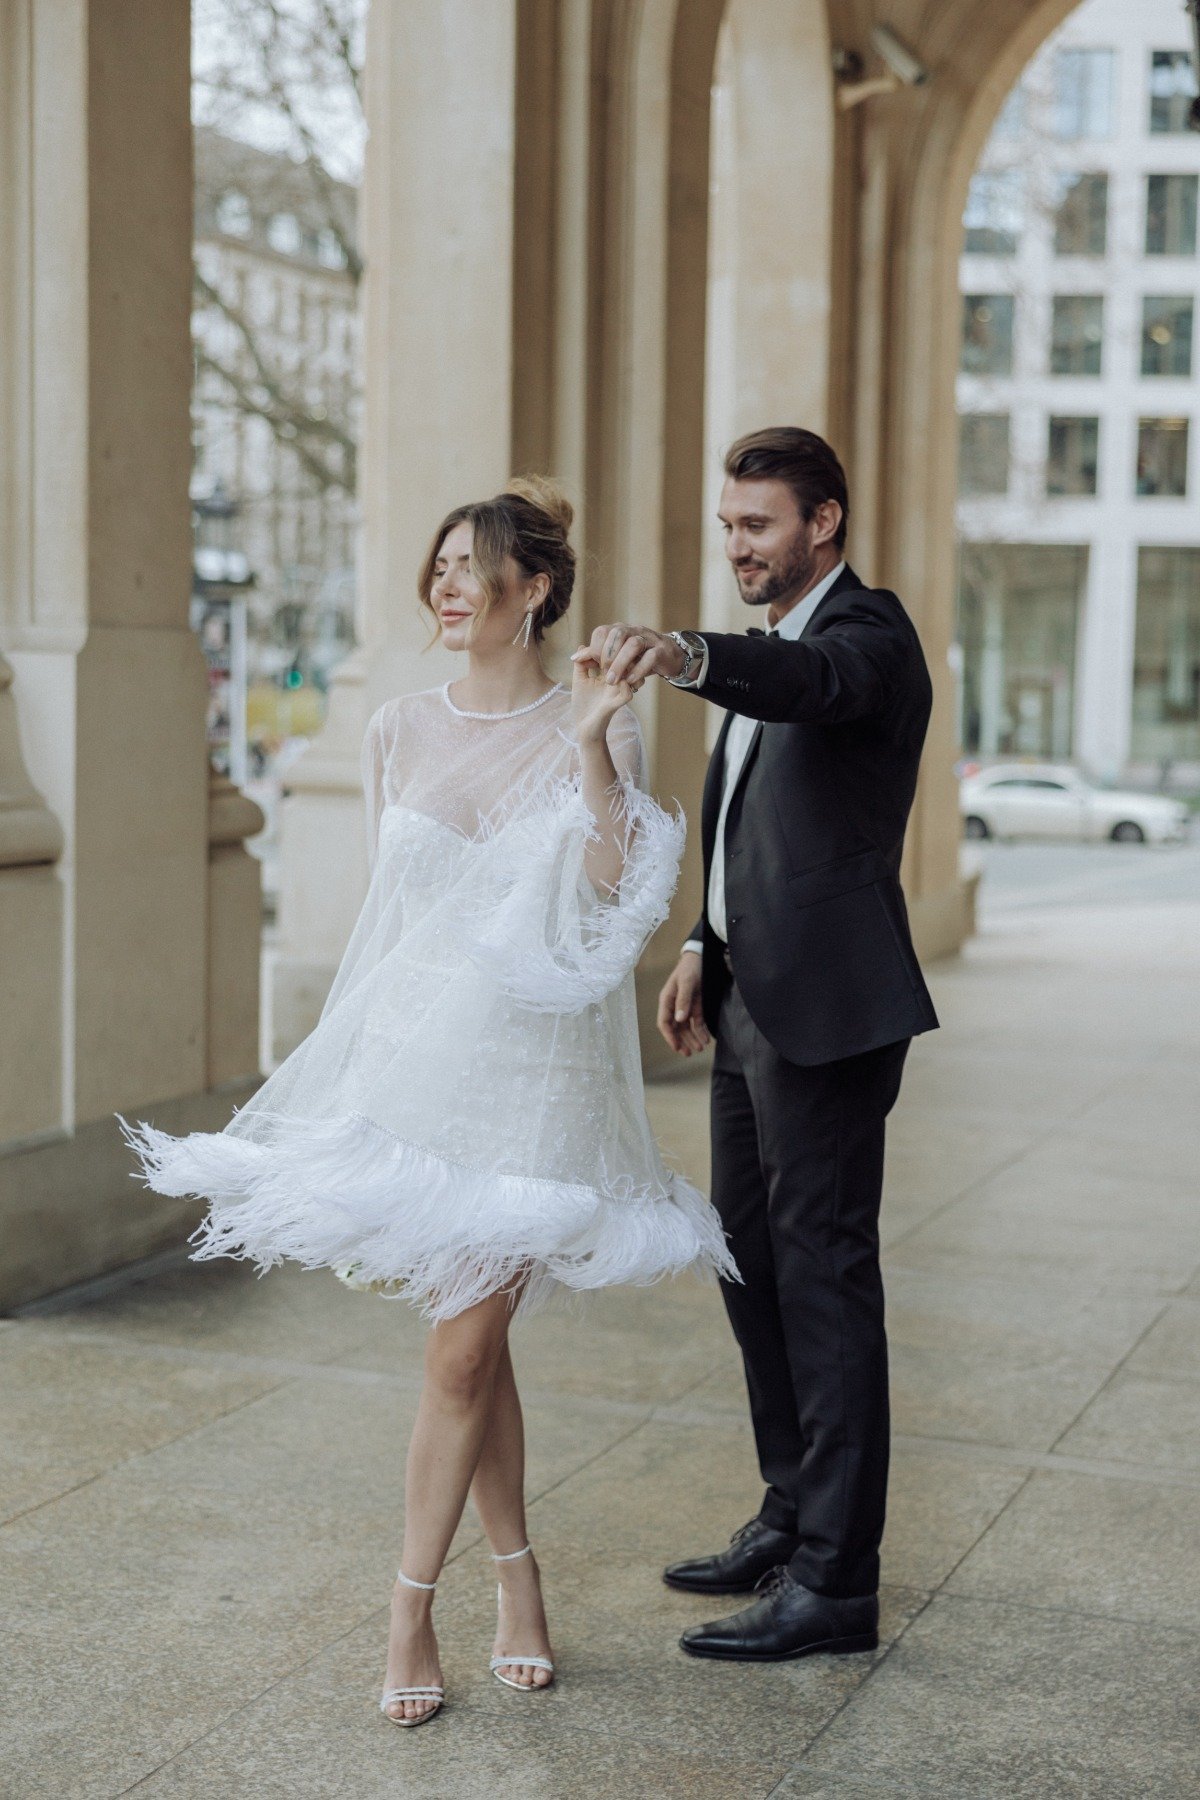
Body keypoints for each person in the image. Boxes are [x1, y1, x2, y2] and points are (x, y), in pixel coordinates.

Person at [124, 477, 735, 1727]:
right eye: (441, 565)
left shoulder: (599, 720)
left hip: (535, 1081)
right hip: (423, 1074)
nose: (447, 586)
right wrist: (340, 1064)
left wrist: (587, 746)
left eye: (474, 567)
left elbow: (620, 904)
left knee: (459, 1348)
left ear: (538, 590)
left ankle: (406, 1605)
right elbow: (382, 928)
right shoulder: (398, 725)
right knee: (476, 1351)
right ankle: (517, 1580)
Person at [586, 427, 938, 1663]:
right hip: (748, 999)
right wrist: (699, 942)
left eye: (758, 526)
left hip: (833, 1015)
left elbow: (812, 693)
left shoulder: (866, 639)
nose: (736, 546)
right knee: (750, 1265)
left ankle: (838, 1583)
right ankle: (791, 1515)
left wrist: (685, 653)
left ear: (824, 525)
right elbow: (753, 825)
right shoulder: (774, 653)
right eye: (729, 526)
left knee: (826, 1283)